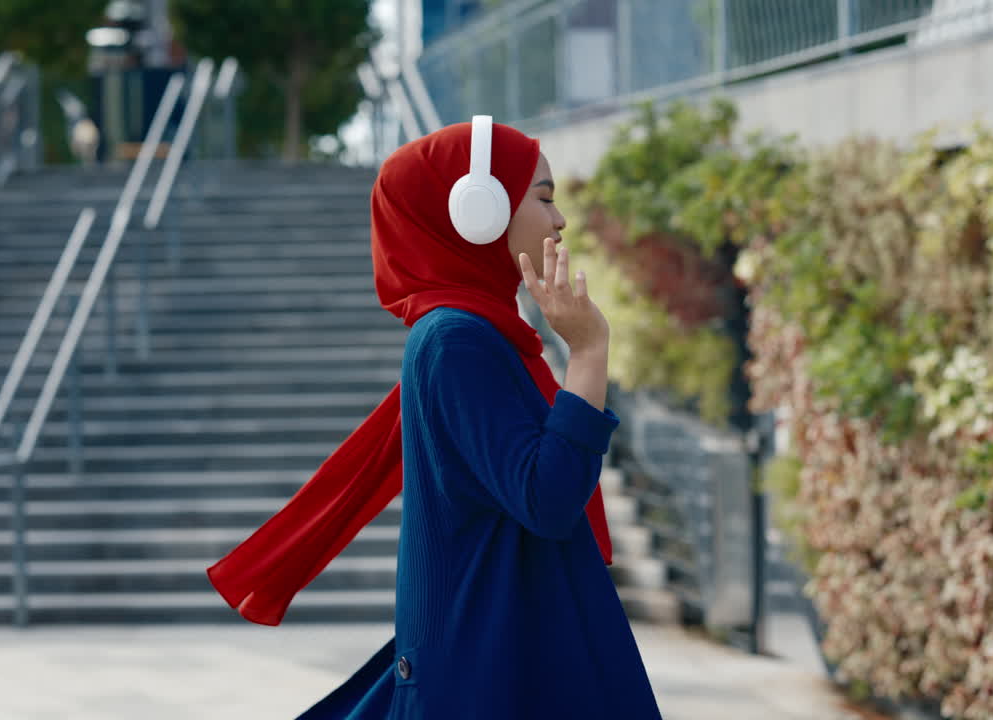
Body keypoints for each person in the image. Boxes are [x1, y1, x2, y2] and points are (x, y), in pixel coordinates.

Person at [206, 117, 661, 719]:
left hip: (498, 654)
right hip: (489, 673)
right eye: (544, 197)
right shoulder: (457, 341)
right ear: (479, 210)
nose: (560, 220)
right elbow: (548, 498)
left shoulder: (479, 335)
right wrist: (589, 352)